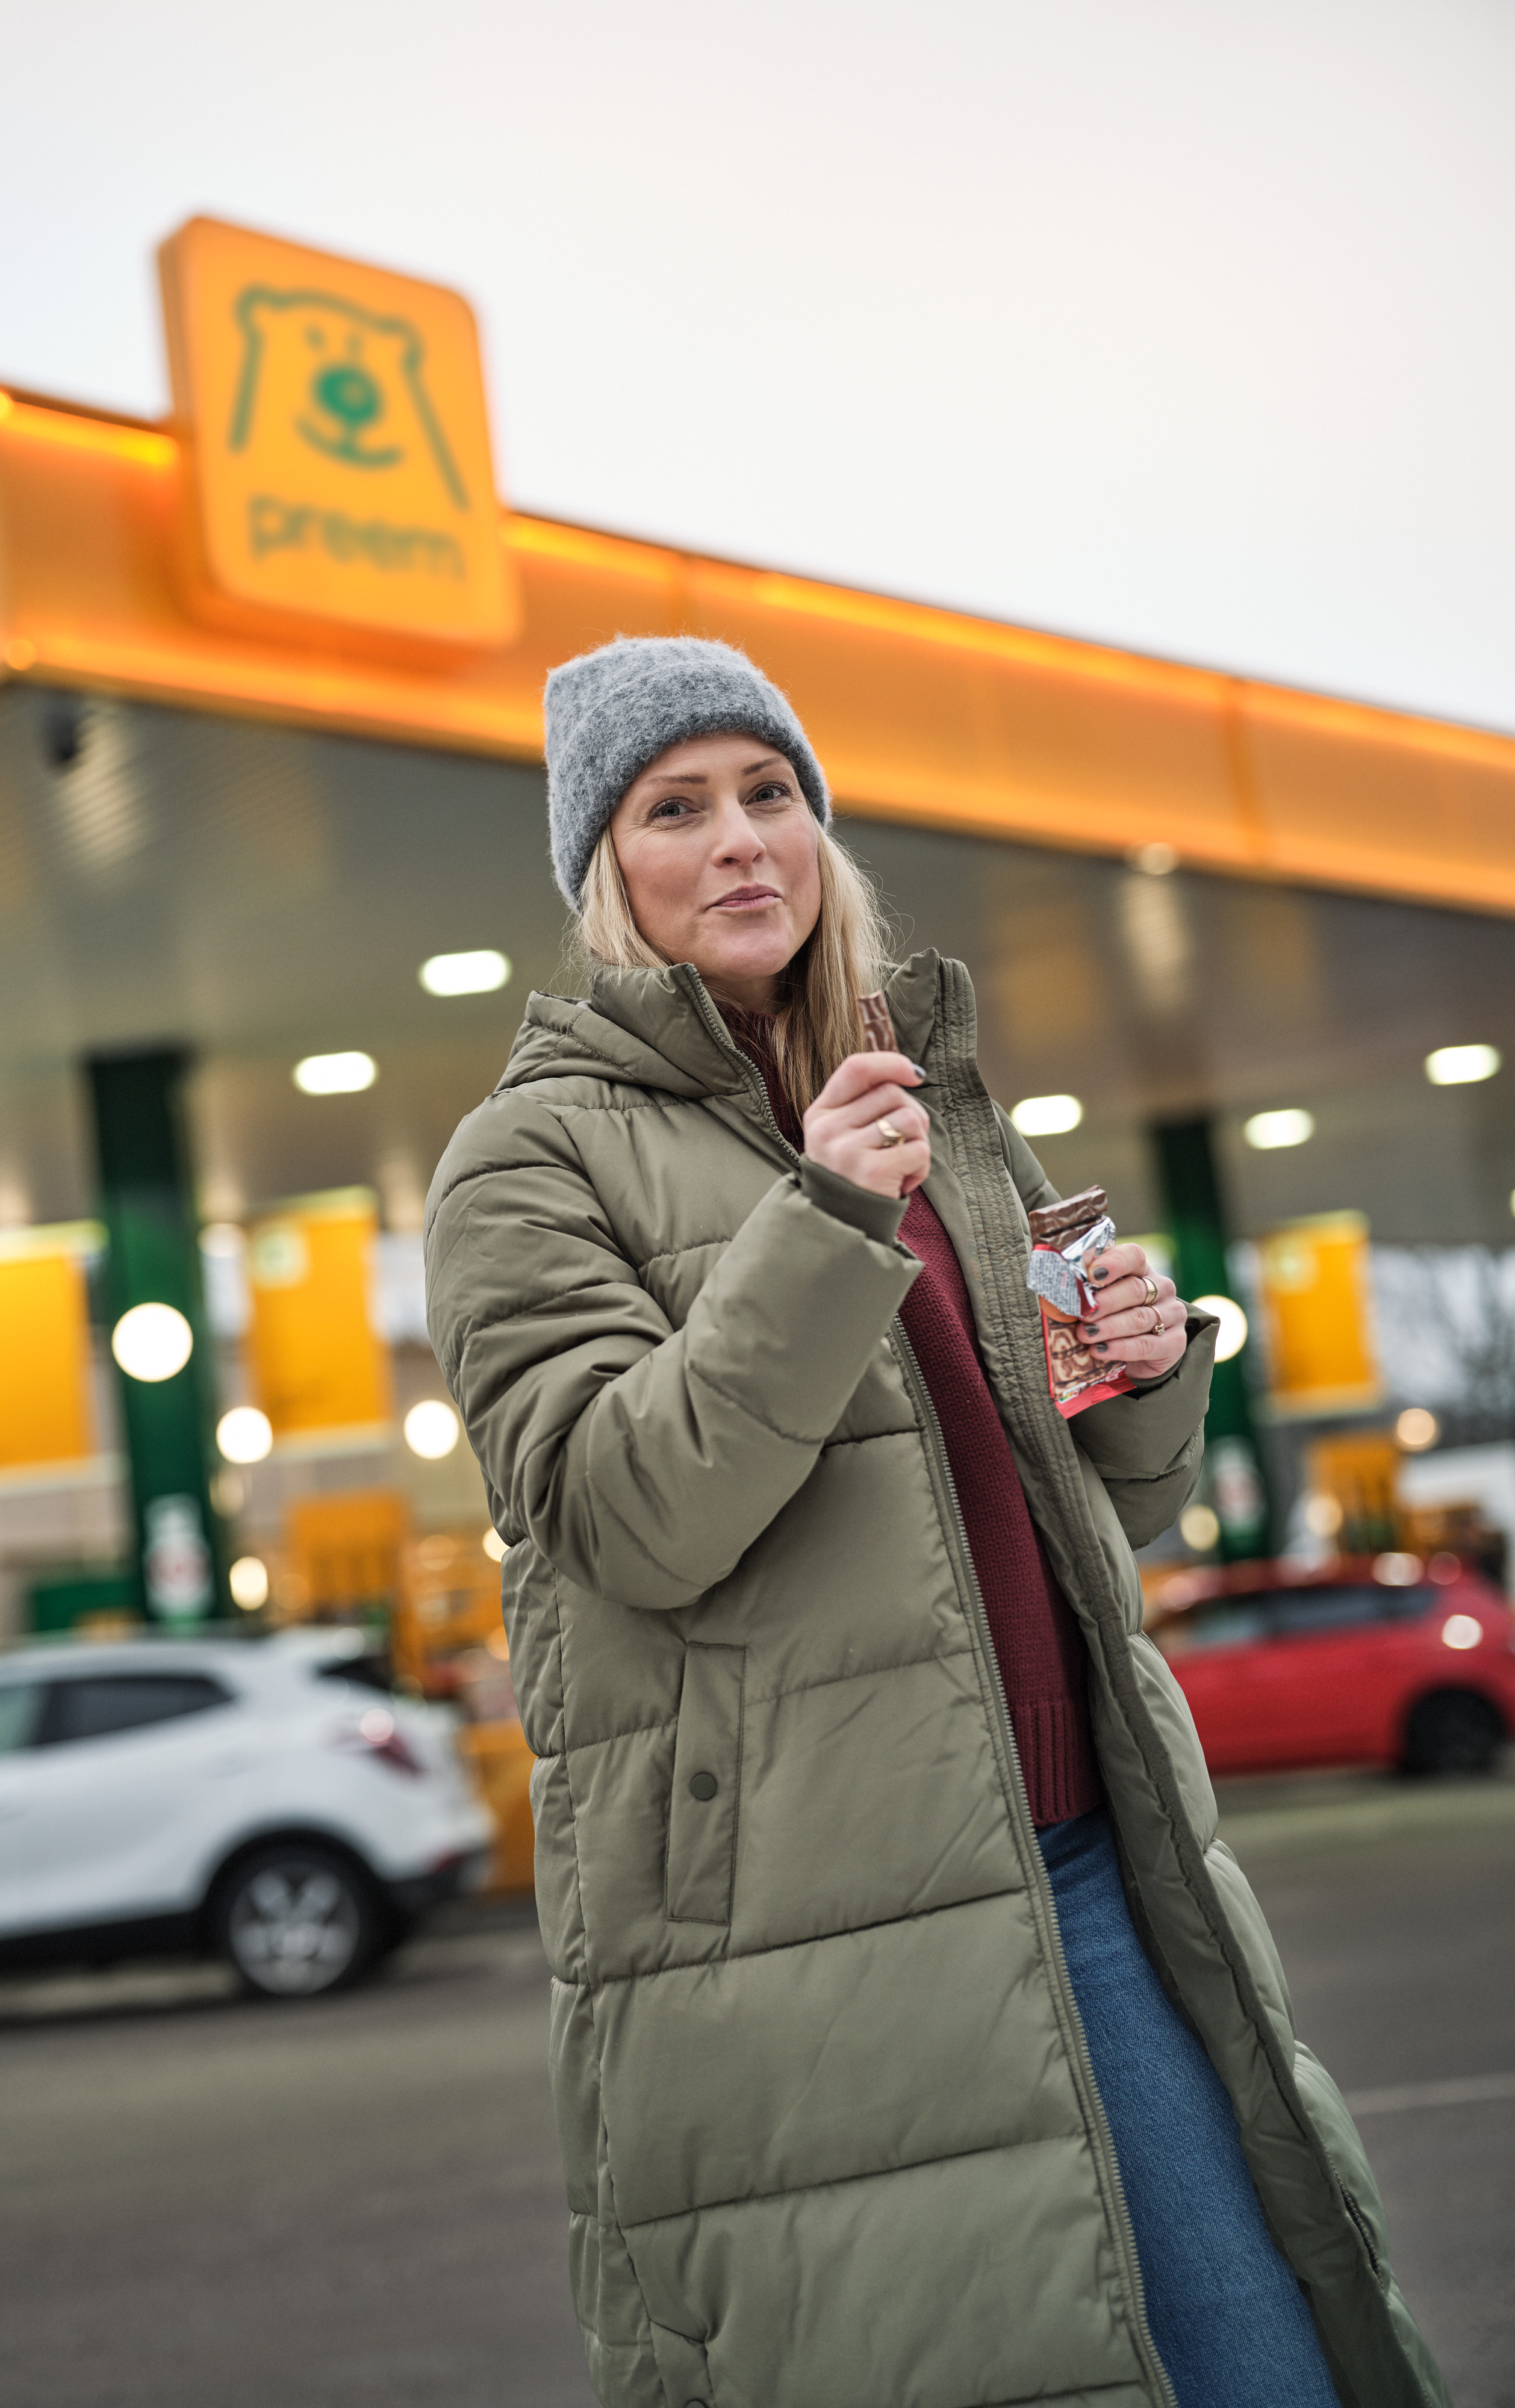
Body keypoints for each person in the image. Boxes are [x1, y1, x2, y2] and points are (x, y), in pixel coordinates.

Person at [424, 636, 1447, 2408]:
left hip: (1088, 1855)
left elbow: (1108, 1508)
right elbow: (632, 1516)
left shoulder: (935, 1112)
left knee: (1264, 2358)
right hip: (818, 1913)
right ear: (606, 875)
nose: (743, 841)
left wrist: (1143, 1378)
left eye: (773, 795)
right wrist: (821, 1215)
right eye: (677, 809)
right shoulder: (527, 1165)